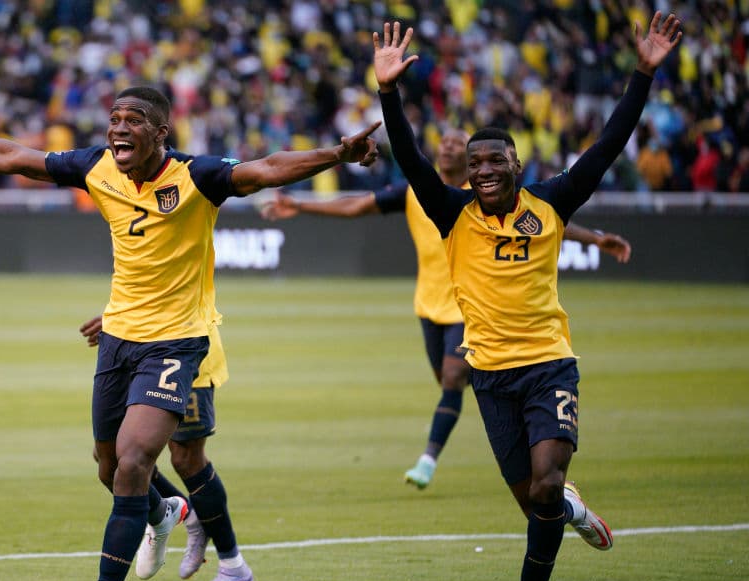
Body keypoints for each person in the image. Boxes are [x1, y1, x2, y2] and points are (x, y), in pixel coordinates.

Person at [0, 87, 380, 581]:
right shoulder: (97, 167)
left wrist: (337, 154)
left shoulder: (197, 177)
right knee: (108, 469)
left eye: (133, 119)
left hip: (177, 344)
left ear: (161, 133)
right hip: (117, 341)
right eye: (114, 118)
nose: (119, 128)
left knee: (138, 461)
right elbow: (10, 155)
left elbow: (266, 170)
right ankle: (165, 512)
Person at [372, 13, 681, 581]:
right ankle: (568, 509)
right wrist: (387, 92)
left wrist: (643, 75)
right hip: (489, 375)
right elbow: (408, 156)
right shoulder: (452, 213)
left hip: (548, 366)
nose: (482, 170)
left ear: (517, 163)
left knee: (546, 479)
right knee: (535, 503)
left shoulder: (550, 202)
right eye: (474, 163)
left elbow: (607, 147)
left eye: (495, 161)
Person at [258, 135, 633, 490]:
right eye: (446, 143)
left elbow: (542, 222)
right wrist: (301, 204)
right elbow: (358, 205)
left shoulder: (484, 198)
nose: (450, 147)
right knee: (448, 384)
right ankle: (532, 445)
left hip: (470, 311)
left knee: (454, 378)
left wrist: (596, 238)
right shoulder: (421, 194)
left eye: (458, 143)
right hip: (428, 306)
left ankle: (430, 458)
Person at [79, 312, 251, 581]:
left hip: (185, 344)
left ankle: (233, 567)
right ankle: (185, 515)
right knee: (115, 454)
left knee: (186, 458)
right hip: (141, 342)